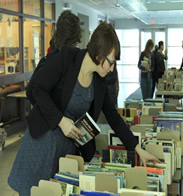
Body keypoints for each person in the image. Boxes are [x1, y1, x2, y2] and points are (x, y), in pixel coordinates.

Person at [8, 22, 159, 196]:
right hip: (41, 145)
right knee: (32, 191)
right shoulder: (66, 58)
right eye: (111, 62)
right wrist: (60, 120)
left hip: (65, 154)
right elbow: (36, 89)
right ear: (98, 54)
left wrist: (138, 149)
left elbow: (114, 118)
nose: (112, 69)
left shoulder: (99, 83)